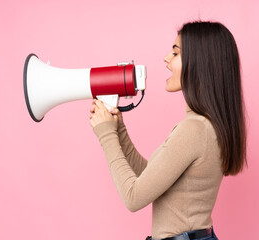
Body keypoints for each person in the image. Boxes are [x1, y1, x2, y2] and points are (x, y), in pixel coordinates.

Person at [89, 20, 247, 240]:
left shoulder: (194, 130)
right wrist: (119, 131)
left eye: (175, 53)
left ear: (199, 63)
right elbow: (150, 178)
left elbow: (133, 197)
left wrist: (106, 134)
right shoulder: (205, 126)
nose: (166, 58)